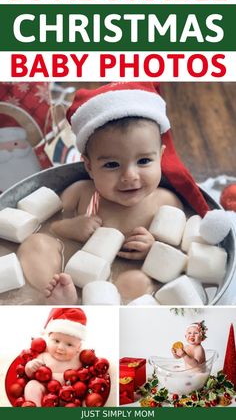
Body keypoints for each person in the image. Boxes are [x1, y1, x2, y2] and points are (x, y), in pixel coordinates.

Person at [16, 82, 230, 305]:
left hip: (121, 282)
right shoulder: (80, 193)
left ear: (161, 156)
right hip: (66, 269)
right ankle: (59, 298)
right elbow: (50, 225)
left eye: (144, 161)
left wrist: (152, 249)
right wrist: (70, 227)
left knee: (138, 281)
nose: (130, 176)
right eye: (111, 165)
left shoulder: (166, 202)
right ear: (89, 166)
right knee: (36, 243)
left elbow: (179, 252)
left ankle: (100, 308)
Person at [24, 308, 86, 406]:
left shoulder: (78, 359)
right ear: (48, 339)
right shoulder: (44, 356)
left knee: (83, 393)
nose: (61, 348)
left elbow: (86, 376)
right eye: (56, 341)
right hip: (45, 391)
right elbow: (30, 376)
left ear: (78, 348)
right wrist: (30, 367)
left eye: (69, 344)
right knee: (31, 386)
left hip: (69, 395)